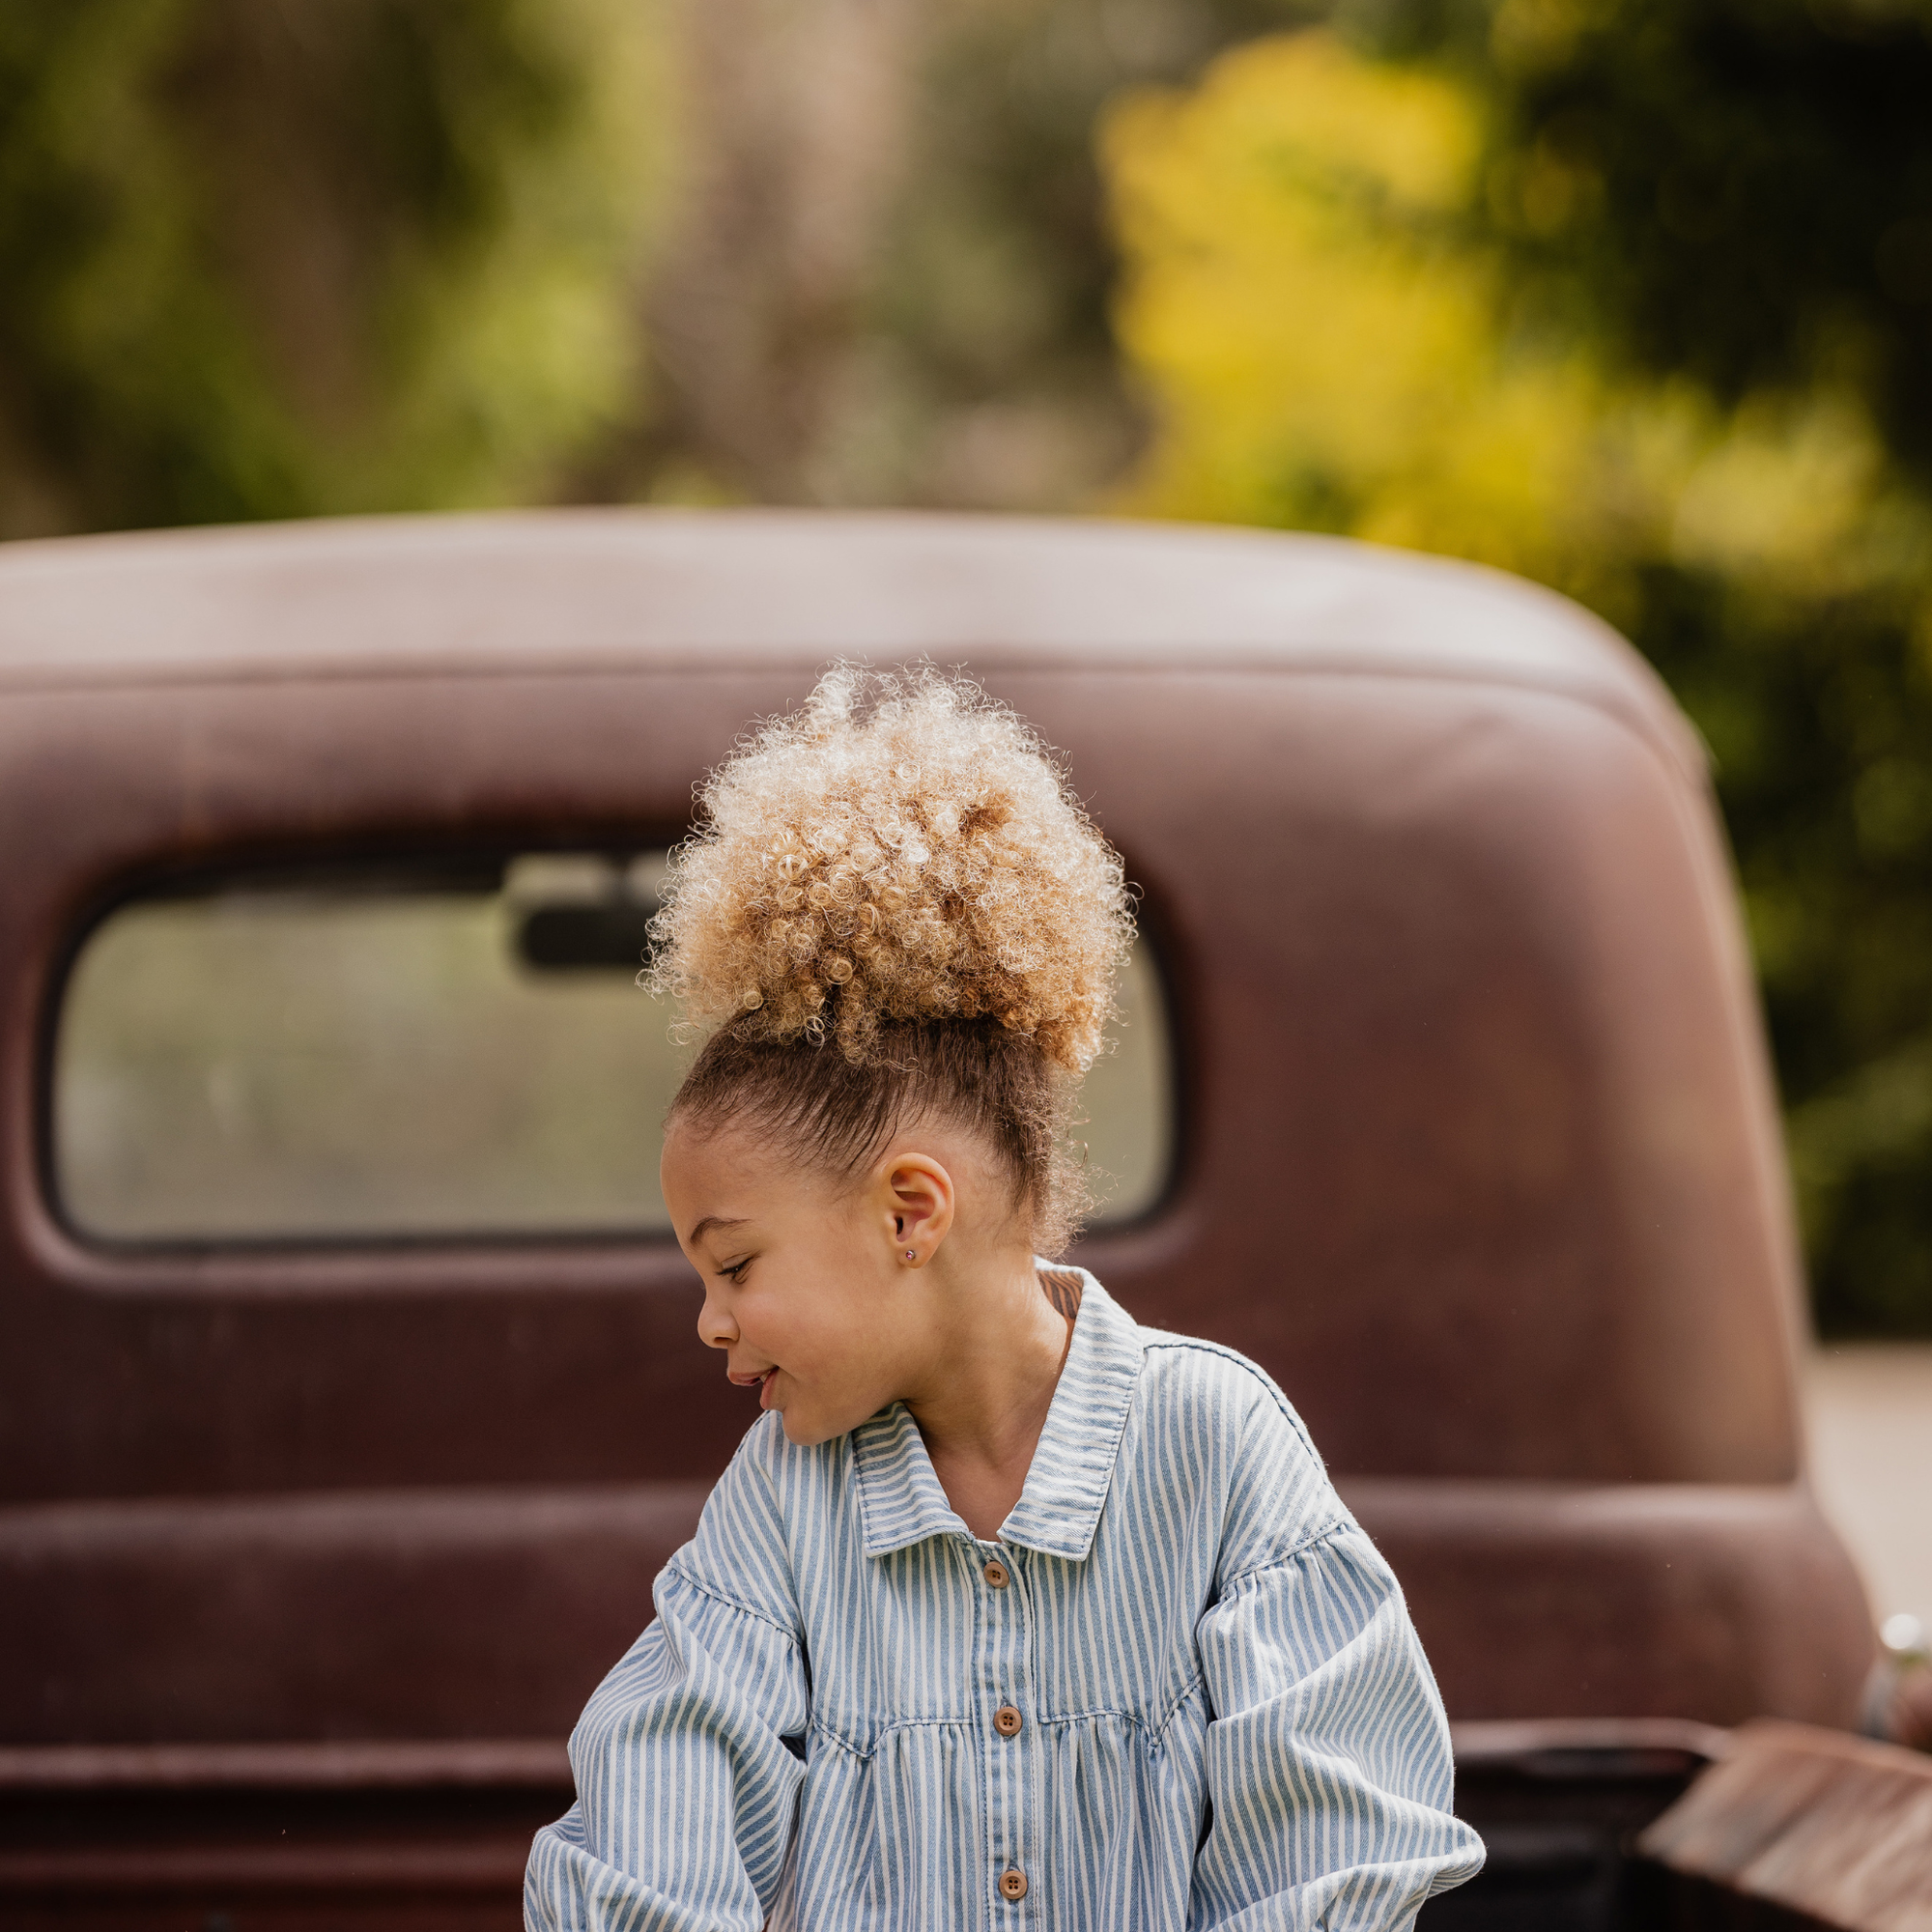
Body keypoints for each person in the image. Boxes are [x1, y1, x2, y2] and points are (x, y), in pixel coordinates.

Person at [525, 667, 1484, 1930]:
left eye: (737, 1265)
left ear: (911, 1213)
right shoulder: (781, 1505)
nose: (708, 1320)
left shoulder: (1220, 1449)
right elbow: (648, 1859)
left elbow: (1328, 1872)